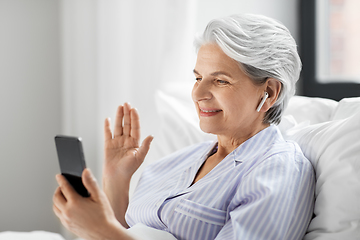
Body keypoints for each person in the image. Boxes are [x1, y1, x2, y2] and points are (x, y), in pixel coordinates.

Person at [53, 13, 315, 240]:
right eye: (198, 77)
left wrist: (100, 231)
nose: (198, 93)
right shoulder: (176, 163)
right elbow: (125, 232)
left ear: (268, 92)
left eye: (220, 81)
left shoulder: (278, 169)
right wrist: (117, 179)